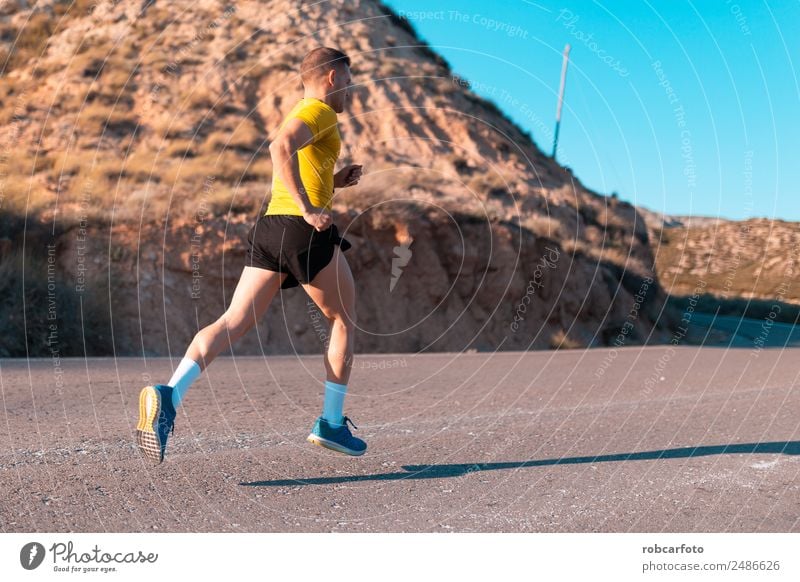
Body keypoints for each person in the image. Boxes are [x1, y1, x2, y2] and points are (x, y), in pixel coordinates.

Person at [136, 47, 366, 463]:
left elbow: (295, 162)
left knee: (233, 321)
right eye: (348, 79)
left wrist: (334, 182)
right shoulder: (321, 111)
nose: (350, 88)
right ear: (332, 78)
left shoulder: (305, 110)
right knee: (343, 319)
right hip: (301, 228)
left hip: (271, 228)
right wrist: (310, 210)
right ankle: (331, 423)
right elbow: (280, 148)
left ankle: (169, 395)